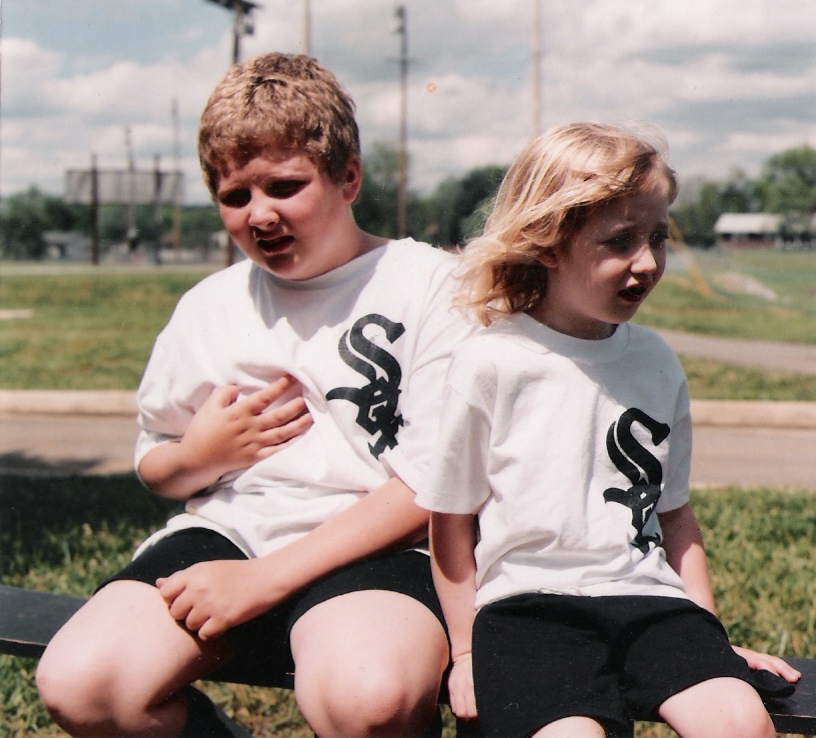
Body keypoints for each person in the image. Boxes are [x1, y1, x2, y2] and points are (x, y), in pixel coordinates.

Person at [36, 52, 474, 738]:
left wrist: (265, 581)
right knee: (82, 683)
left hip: (386, 545)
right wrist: (197, 458)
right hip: (234, 532)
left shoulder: (431, 286)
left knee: (369, 699)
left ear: (348, 176)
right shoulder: (212, 304)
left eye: (285, 186)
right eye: (236, 197)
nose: (260, 214)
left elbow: (435, 484)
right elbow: (156, 460)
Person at [416, 122, 801, 738]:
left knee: (740, 722)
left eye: (657, 236)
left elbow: (675, 518)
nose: (646, 262)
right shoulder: (491, 362)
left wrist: (710, 640)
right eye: (619, 240)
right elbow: (450, 524)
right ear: (545, 244)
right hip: (528, 611)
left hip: (651, 604)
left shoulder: (655, 361)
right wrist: (465, 652)